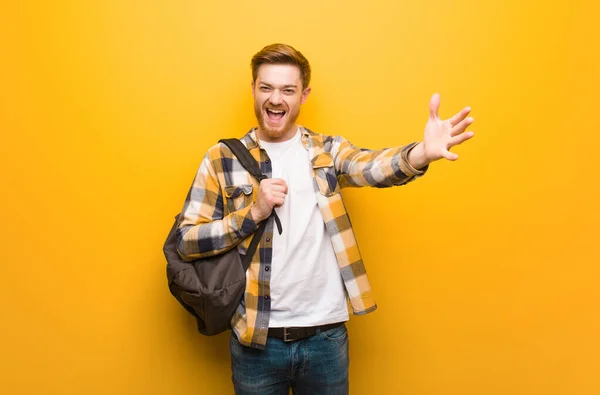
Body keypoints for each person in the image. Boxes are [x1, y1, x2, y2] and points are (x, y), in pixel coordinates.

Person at [175, 43, 474, 394]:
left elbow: (372, 167)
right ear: (253, 90)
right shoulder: (221, 158)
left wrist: (421, 153)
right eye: (266, 87)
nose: (276, 99)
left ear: (304, 95)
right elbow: (186, 242)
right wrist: (251, 213)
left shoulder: (326, 151)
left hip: (326, 338)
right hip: (256, 337)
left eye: (288, 89)